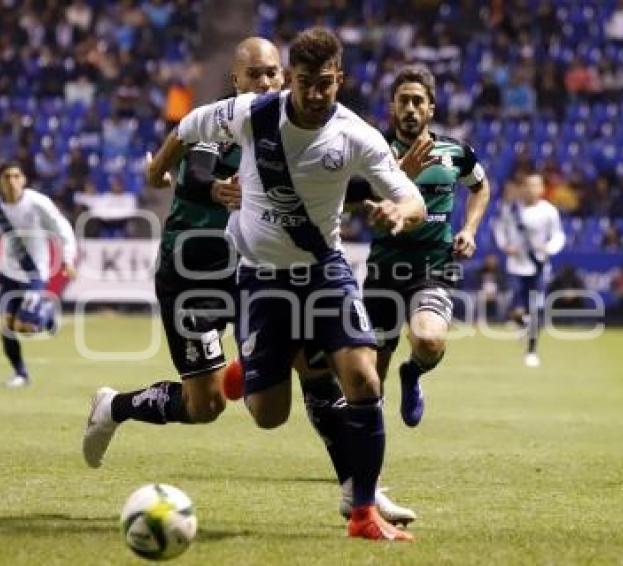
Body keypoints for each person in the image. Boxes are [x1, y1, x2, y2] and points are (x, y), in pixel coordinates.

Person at [82, 36, 417, 531]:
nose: (265, 82)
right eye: (254, 74)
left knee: (322, 371)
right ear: (234, 80)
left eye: (271, 73)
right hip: (194, 271)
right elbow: (194, 166)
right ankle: (117, 405)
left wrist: (382, 197)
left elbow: (322, 190)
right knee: (207, 404)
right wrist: (174, 175)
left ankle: (357, 492)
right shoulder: (235, 119)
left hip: (257, 270)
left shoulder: (310, 127)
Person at [361, 66, 490, 426]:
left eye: (419, 101)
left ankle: (414, 372)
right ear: (392, 107)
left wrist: (469, 229)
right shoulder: (374, 151)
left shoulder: (456, 152)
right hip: (384, 267)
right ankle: (368, 459)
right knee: (370, 376)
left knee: (429, 340)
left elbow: (480, 187)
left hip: (433, 267)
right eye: (404, 101)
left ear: (431, 108)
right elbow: (359, 196)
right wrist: (401, 174)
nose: (411, 108)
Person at [0, 162, 77, 387]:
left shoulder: (38, 203)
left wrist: (68, 258)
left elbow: (62, 228)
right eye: (7, 176)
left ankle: (47, 315)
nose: (12, 181)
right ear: (0, 182)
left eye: (16, 176)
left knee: (24, 327)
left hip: (34, 272)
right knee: (6, 326)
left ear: (23, 180)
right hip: (8, 273)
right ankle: (21, 374)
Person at [494, 173, 565, 368]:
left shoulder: (549, 211)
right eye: (528, 185)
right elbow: (500, 229)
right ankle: (522, 322)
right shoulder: (511, 209)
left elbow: (558, 235)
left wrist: (548, 248)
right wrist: (505, 246)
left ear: (542, 189)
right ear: (523, 187)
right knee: (515, 308)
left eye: (536, 186)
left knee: (535, 309)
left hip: (538, 266)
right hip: (516, 266)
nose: (532, 189)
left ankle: (532, 350)